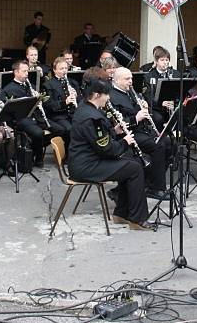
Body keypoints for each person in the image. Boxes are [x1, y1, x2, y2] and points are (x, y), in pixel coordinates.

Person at [68, 80, 153, 230]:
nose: (108, 98)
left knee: (131, 163)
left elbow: (98, 139)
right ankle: (137, 219)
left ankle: (122, 213)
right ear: (96, 95)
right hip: (86, 166)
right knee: (134, 168)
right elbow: (107, 149)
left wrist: (115, 131)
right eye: (106, 95)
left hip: (86, 160)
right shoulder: (92, 117)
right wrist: (125, 142)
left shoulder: (85, 109)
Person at [110, 67, 170, 200]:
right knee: (158, 145)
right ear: (117, 80)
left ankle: (150, 181)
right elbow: (117, 123)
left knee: (170, 143)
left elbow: (135, 109)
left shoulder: (130, 92)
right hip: (127, 134)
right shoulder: (112, 97)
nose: (131, 81)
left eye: (131, 78)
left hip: (142, 130)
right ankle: (157, 188)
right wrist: (136, 118)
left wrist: (144, 107)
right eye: (127, 79)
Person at [2, 60, 60, 166]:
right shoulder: (8, 89)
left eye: (27, 71)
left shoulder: (31, 86)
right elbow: (10, 110)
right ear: (16, 72)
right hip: (21, 119)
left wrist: (38, 99)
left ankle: (34, 149)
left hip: (36, 116)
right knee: (38, 133)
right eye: (24, 71)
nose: (27, 74)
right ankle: (38, 158)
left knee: (58, 129)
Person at [42, 56, 81, 142]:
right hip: (58, 116)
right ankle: (67, 153)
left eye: (65, 68)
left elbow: (81, 99)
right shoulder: (48, 85)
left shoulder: (72, 83)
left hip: (72, 113)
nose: (64, 71)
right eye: (61, 68)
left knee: (83, 127)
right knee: (70, 130)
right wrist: (65, 102)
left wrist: (76, 97)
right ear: (54, 70)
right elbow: (49, 106)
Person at [143, 48, 179, 130]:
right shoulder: (148, 76)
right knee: (158, 119)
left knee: (181, 116)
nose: (165, 62)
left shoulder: (175, 74)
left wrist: (175, 103)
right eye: (162, 60)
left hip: (172, 107)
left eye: (167, 60)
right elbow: (148, 96)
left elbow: (180, 92)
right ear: (156, 61)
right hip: (157, 108)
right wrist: (161, 103)